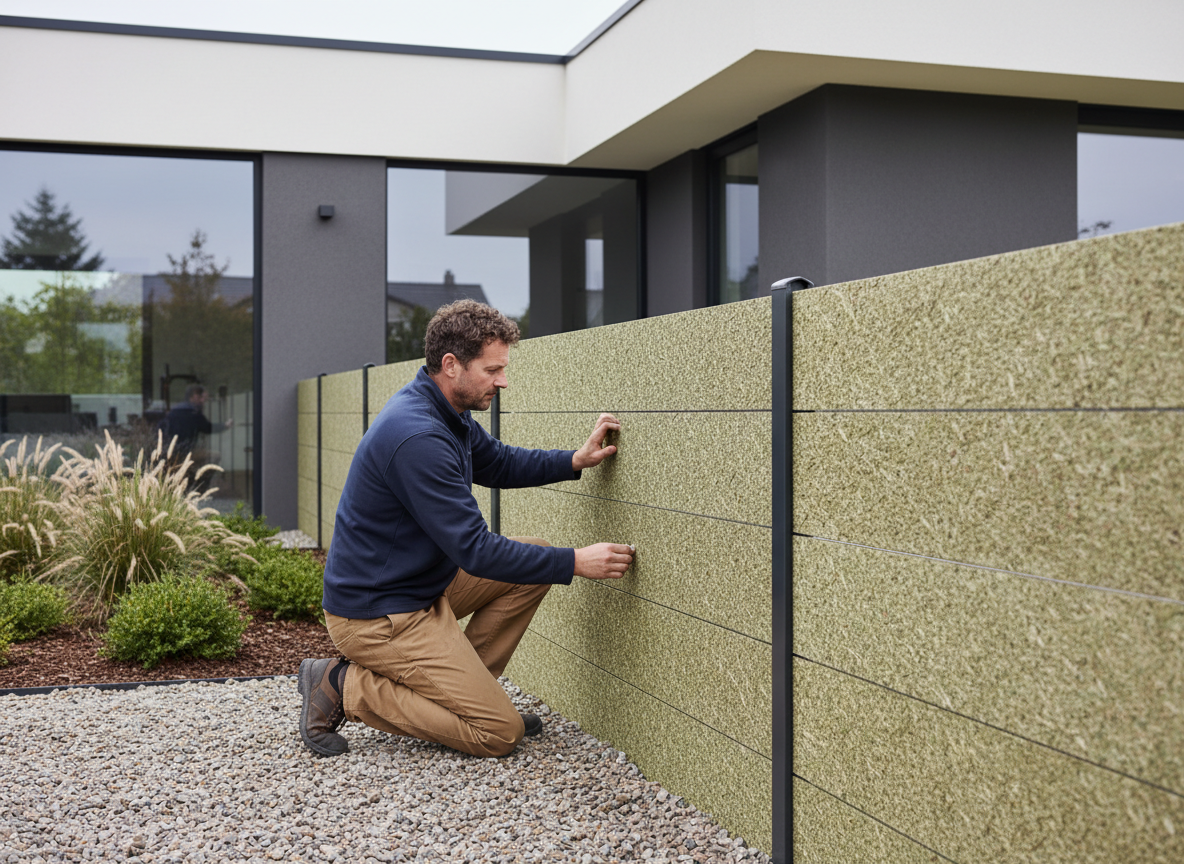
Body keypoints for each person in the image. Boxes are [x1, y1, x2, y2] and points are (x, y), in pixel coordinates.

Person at [298, 300, 634, 759]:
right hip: (378, 617)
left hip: (418, 590)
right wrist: (576, 562)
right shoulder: (417, 436)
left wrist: (573, 460)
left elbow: (497, 461)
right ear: (451, 365)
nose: (503, 380)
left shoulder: (444, 410)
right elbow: (476, 550)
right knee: (499, 734)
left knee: (533, 560)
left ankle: (470, 701)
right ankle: (341, 684)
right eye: (492, 369)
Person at [158, 384, 233, 489]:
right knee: (215, 456)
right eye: (202, 398)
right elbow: (207, 428)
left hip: (171, 452)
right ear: (194, 396)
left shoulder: (174, 412)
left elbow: (161, 428)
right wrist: (225, 425)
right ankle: (200, 486)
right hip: (186, 452)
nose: (204, 401)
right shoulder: (193, 413)